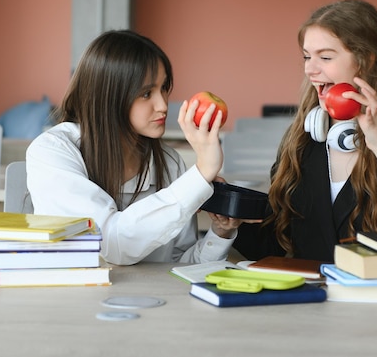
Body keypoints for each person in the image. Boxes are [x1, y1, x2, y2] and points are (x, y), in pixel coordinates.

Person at [233, 0, 377, 262]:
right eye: (306, 56)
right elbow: (274, 246)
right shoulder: (301, 139)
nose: (310, 69)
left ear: (365, 62)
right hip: (309, 299)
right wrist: (230, 224)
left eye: (325, 57)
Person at [27, 30, 258, 265]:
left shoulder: (169, 162)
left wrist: (221, 232)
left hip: (155, 299)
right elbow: (110, 243)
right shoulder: (53, 151)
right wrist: (201, 174)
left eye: (164, 88)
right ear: (109, 96)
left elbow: (179, 263)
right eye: (146, 93)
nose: (163, 105)